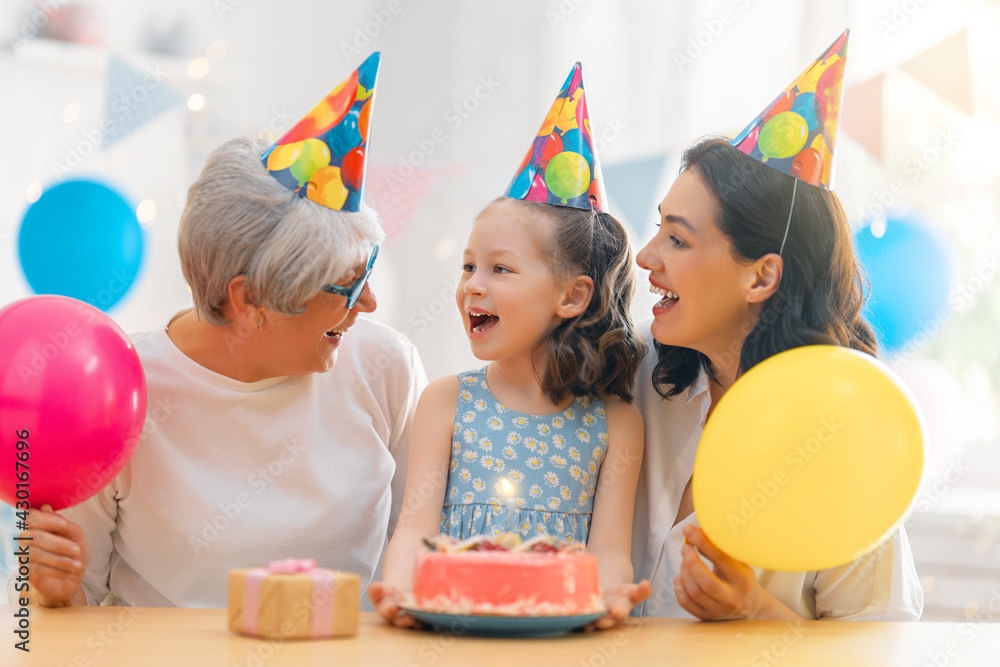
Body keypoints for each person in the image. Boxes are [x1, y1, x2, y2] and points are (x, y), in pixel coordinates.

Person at [14, 54, 428, 608]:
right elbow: (73, 605)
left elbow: (423, 558)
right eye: (346, 287)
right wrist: (51, 593)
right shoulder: (114, 389)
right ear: (248, 299)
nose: (369, 304)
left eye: (367, 272)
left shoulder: (387, 368)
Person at [371, 62, 651, 629]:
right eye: (469, 265)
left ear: (571, 297)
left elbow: (609, 551)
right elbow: (415, 530)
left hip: (560, 637)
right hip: (450, 633)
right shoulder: (446, 401)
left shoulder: (617, 422)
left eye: (500, 268)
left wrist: (611, 599)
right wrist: (398, 593)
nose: (473, 284)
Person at [630, 136, 924, 621]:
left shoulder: (842, 432)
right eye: (660, 228)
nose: (645, 256)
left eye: (677, 239)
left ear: (762, 278)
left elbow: (879, 647)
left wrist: (754, 611)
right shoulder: (630, 371)